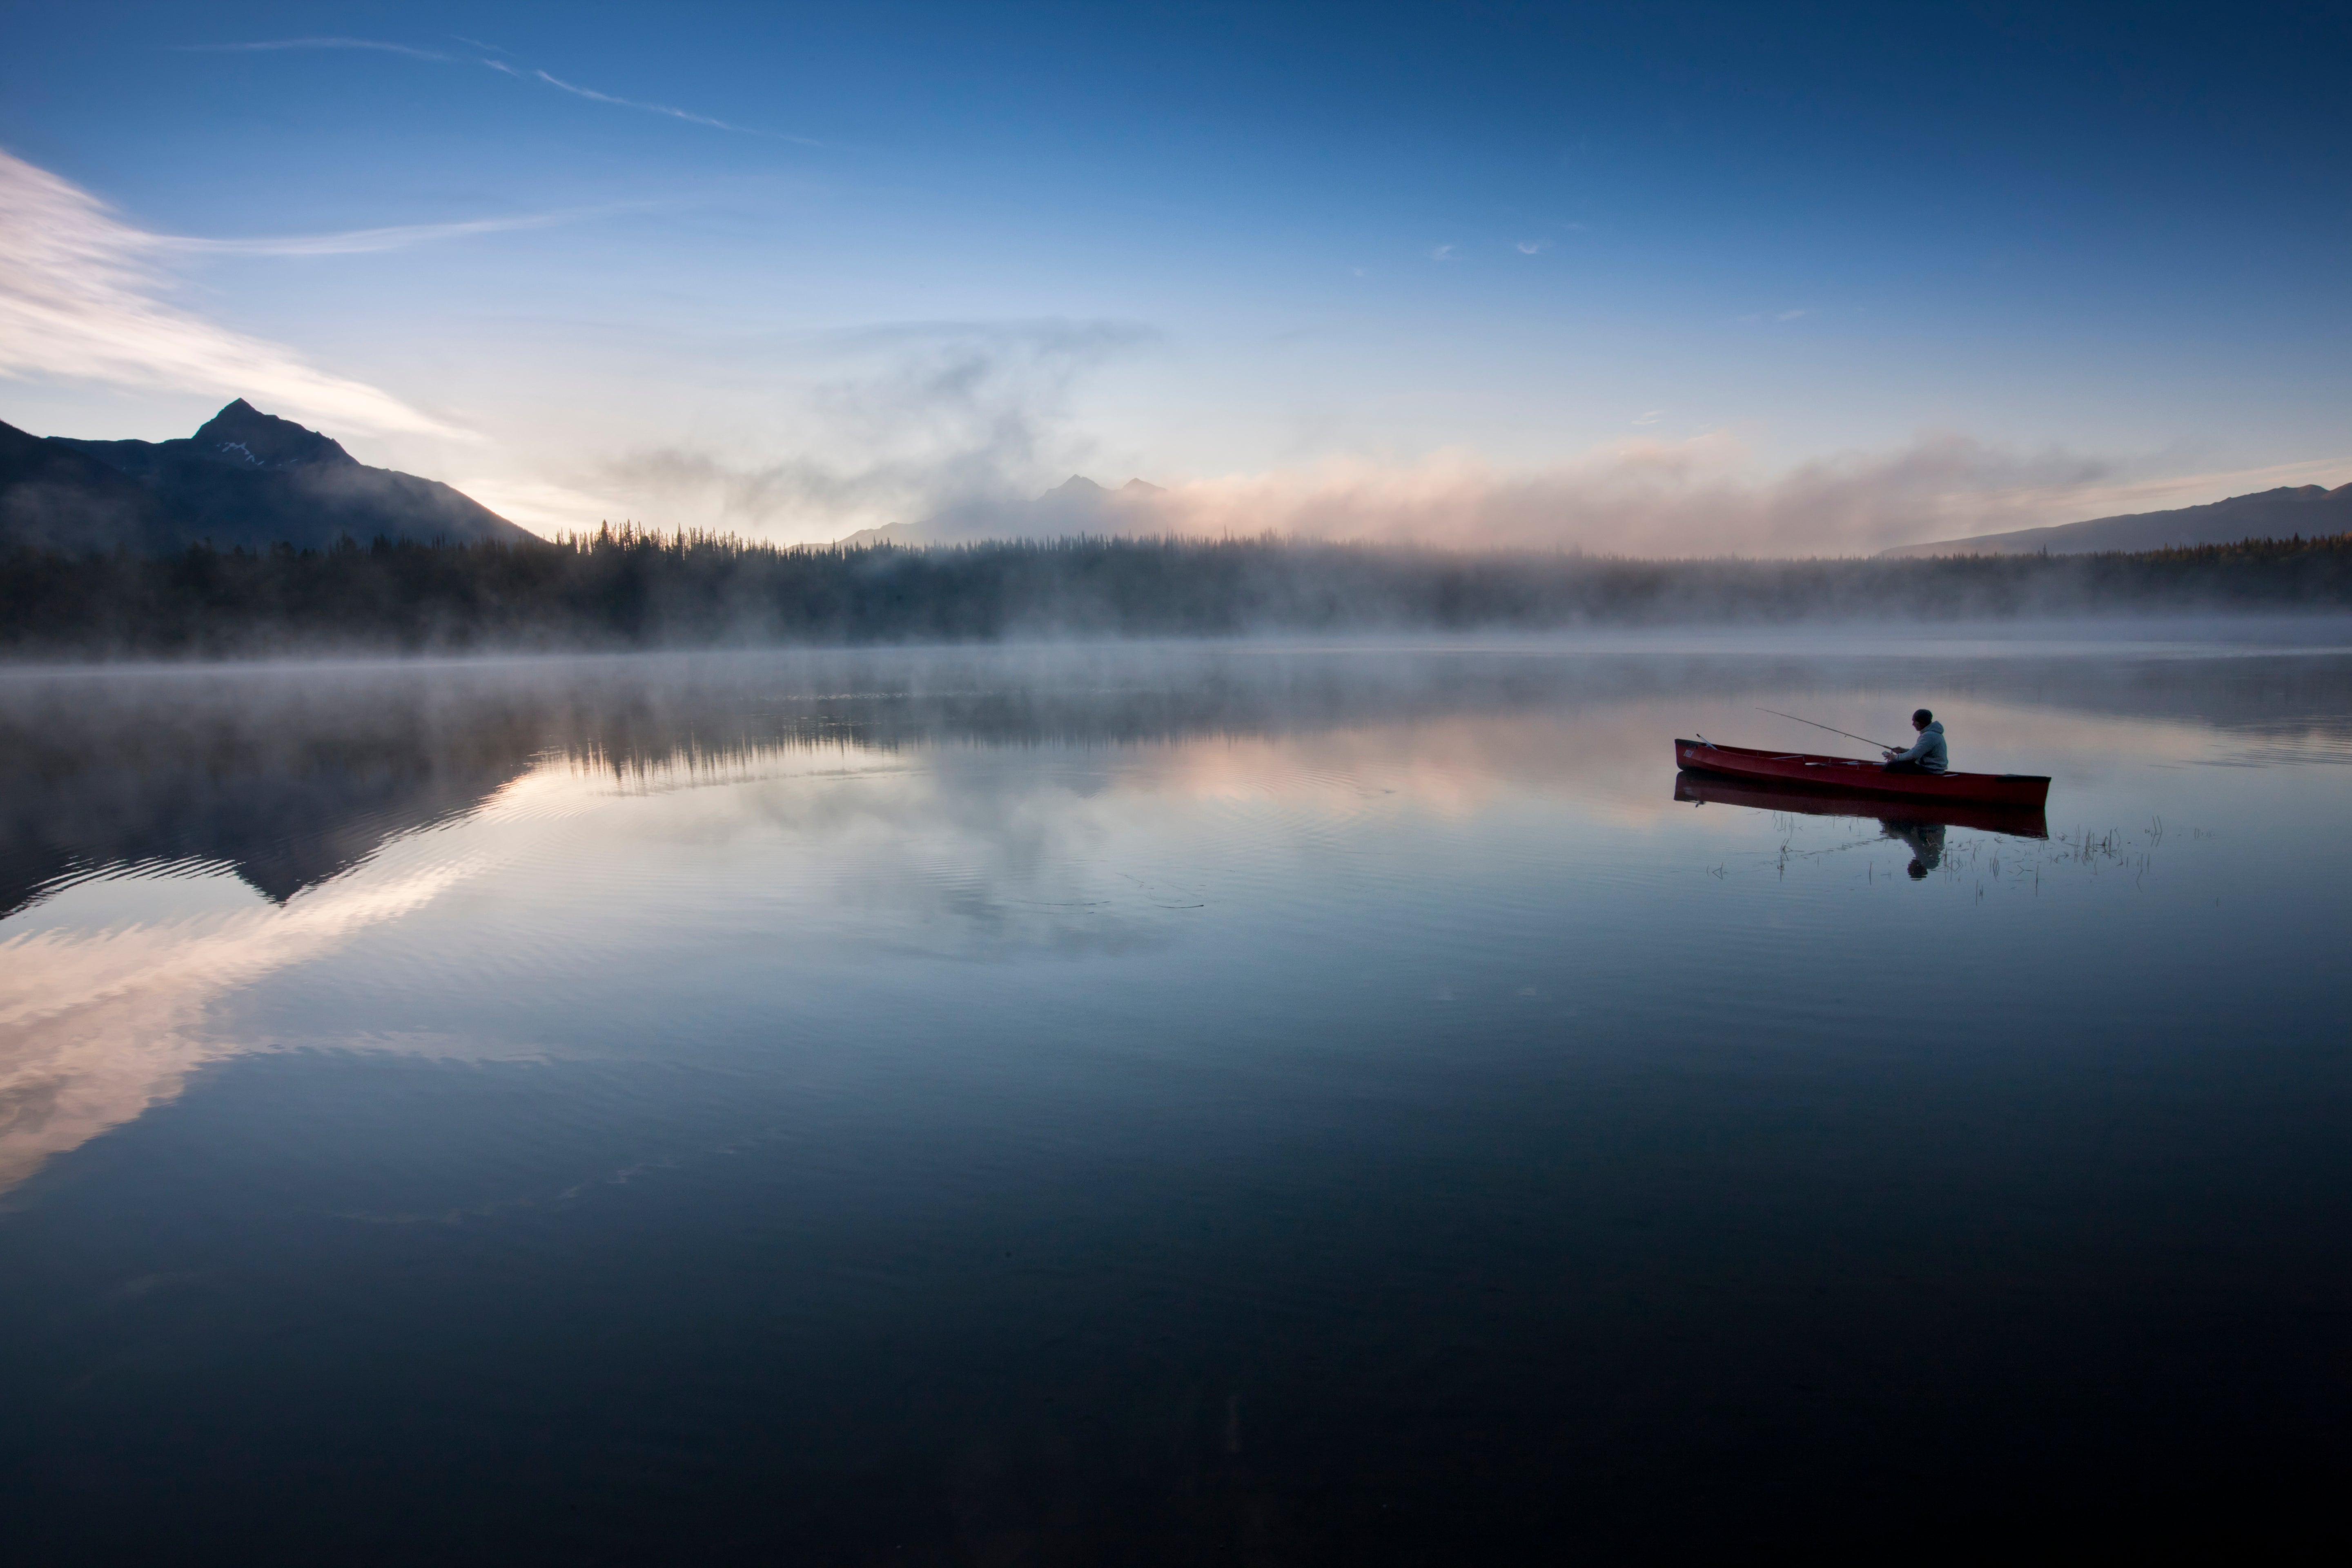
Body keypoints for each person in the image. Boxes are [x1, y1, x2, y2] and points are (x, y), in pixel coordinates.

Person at [1882, 708, 1947, 775]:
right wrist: (1903, 751)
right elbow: (1918, 753)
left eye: (1914, 721)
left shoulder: (1929, 736)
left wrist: (1895, 757)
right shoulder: (1933, 734)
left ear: (1921, 722)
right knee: (1902, 763)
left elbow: (1914, 755)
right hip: (1932, 769)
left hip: (1931, 771)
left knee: (1892, 766)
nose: (1913, 724)